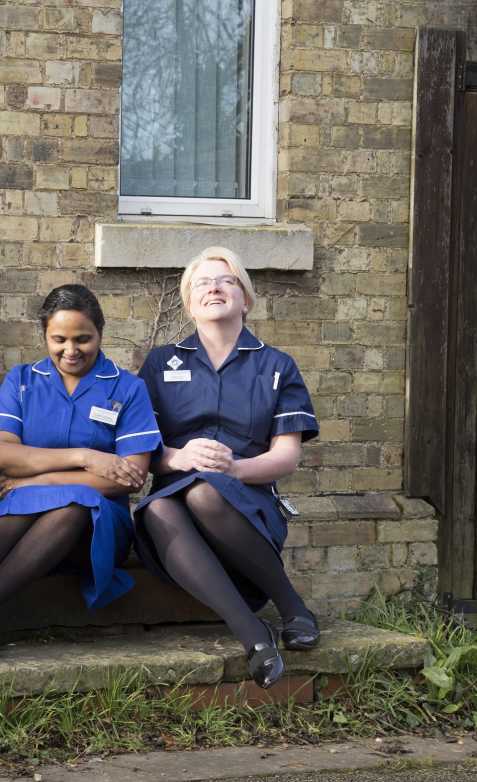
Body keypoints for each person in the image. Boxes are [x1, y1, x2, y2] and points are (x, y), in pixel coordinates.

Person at [0, 285, 162, 658]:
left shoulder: (128, 388)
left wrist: (38, 479)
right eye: (59, 339)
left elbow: (130, 476)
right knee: (31, 504)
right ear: (44, 334)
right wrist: (86, 457)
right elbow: (3, 457)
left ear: (100, 333)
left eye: (83, 339)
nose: (70, 350)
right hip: (30, 518)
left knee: (73, 505)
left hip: (97, 530)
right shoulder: (22, 380)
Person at [134, 247, 320, 690]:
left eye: (226, 280)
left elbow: (286, 457)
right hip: (173, 498)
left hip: (248, 501)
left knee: (205, 492)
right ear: (190, 303)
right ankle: (253, 633)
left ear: (246, 299)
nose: (214, 288)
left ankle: (291, 606)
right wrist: (178, 458)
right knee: (156, 507)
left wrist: (234, 469)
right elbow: (139, 449)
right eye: (202, 282)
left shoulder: (277, 365)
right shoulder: (160, 363)